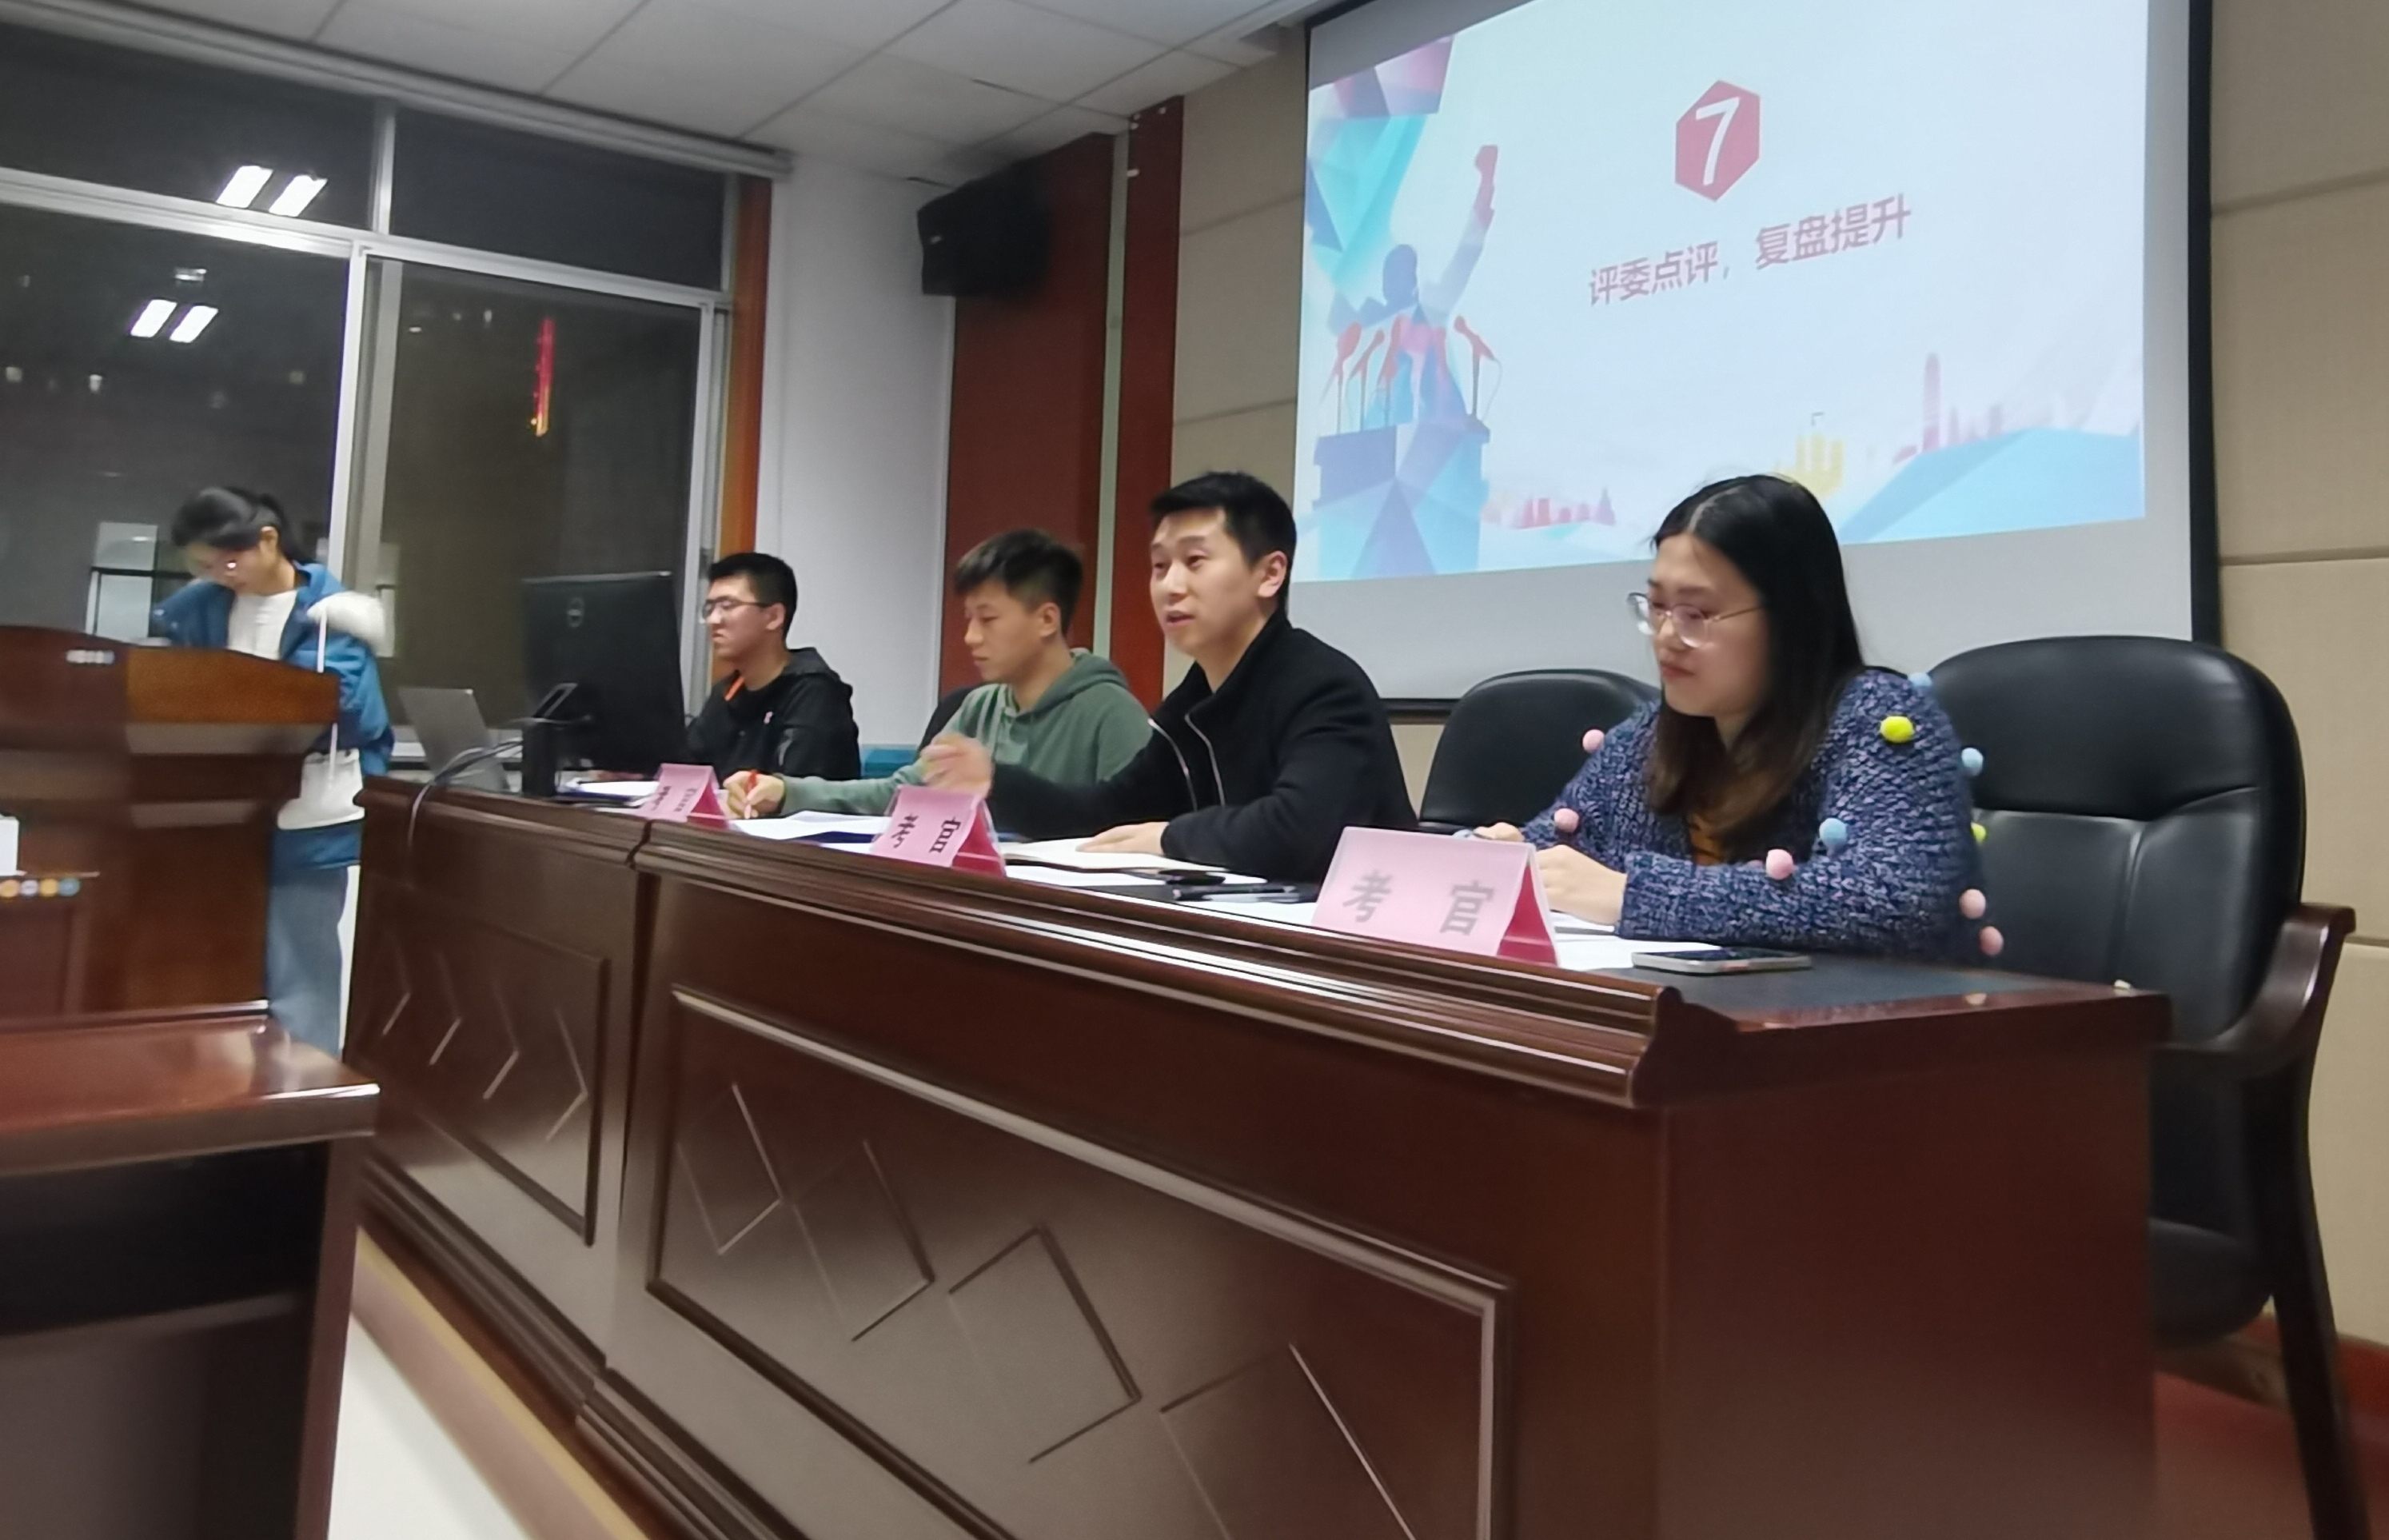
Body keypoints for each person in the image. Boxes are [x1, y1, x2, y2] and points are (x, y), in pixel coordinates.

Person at [1482, 474, 1983, 959]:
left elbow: (1894, 899)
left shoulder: (1880, 722)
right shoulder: (1647, 738)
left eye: (1696, 614)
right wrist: (1492, 856)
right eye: (1657, 607)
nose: (1667, 636)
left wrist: (1635, 894)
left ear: (1790, 619)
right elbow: (1553, 851)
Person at [919, 472, 1415, 881]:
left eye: (1195, 561)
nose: (1171, 586)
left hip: (1363, 946)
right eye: (1160, 566)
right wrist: (994, 783)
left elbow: (1300, 831)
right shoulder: (1191, 705)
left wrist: (1169, 837)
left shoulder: (1324, 686)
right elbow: (1109, 811)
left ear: (1270, 574)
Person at [154, 487, 393, 1055]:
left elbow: (346, 711)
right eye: (201, 567)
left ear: (268, 541)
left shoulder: (334, 617)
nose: (218, 576)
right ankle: (226, 1092)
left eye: (226, 562)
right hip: (218, 814)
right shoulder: (197, 610)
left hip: (308, 813)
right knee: (215, 961)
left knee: (300, 967)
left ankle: (302, 1093)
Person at [724, 530, 1150, 819]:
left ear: (1046, 620)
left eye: (988, 619)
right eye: (969, 619)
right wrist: (788, 792)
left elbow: (1134, 822)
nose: (970, 637)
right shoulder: (980, 706)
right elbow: (902, 791)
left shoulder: (1109, 711)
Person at [687, 551, 859, 783]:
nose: (714, 620)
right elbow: (689, 772)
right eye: (710, 608)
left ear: (774, 617)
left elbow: (795, 791)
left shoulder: (814, 693)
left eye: (727, 606)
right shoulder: (727, 693)